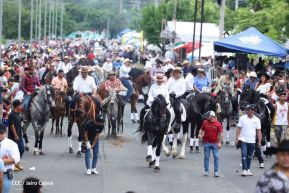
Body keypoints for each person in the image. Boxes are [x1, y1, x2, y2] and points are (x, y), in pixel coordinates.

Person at [236, 104, 261, 176]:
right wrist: (237, 138)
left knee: (249, 156)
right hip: (243, 140)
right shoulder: (242, 118)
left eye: (249, 110)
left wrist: (259, 141)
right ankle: (244, 170)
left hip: (252, 141)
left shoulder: (257, 120)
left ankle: (248, 169)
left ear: (253, 111)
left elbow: (259, 131)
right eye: (247, 110)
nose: (247, 111)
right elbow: (238, 128)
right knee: (244, 154)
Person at [199, 111, 223, 177]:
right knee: (206, 157)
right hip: (206, 142)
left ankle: (216, 171)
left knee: (216, 157)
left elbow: (221, 134)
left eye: (208, 116)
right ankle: (206, 171)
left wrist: (220, 142)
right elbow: (201, 129)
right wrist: (199, 134)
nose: (207, 117)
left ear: (212, 116)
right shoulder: (205, 122)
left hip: (215, 143)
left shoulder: (218, 124)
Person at [0, 123, 20, 193]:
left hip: (5, 175)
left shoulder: (11, 144)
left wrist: (2, 162)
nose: (0, 134)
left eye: (1, 133)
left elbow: (16, 159)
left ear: (5, 132)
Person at [8, 100, 24, 171]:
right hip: (14, 137)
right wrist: (15, 135)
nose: (21, 106)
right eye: (20, 105)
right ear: (17, 106)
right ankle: (13, 165)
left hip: (20, 135)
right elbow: (11, 126)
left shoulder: (18, 113)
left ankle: (17, 163)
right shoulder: (12, 114)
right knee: (15, 151)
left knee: (21, 149)